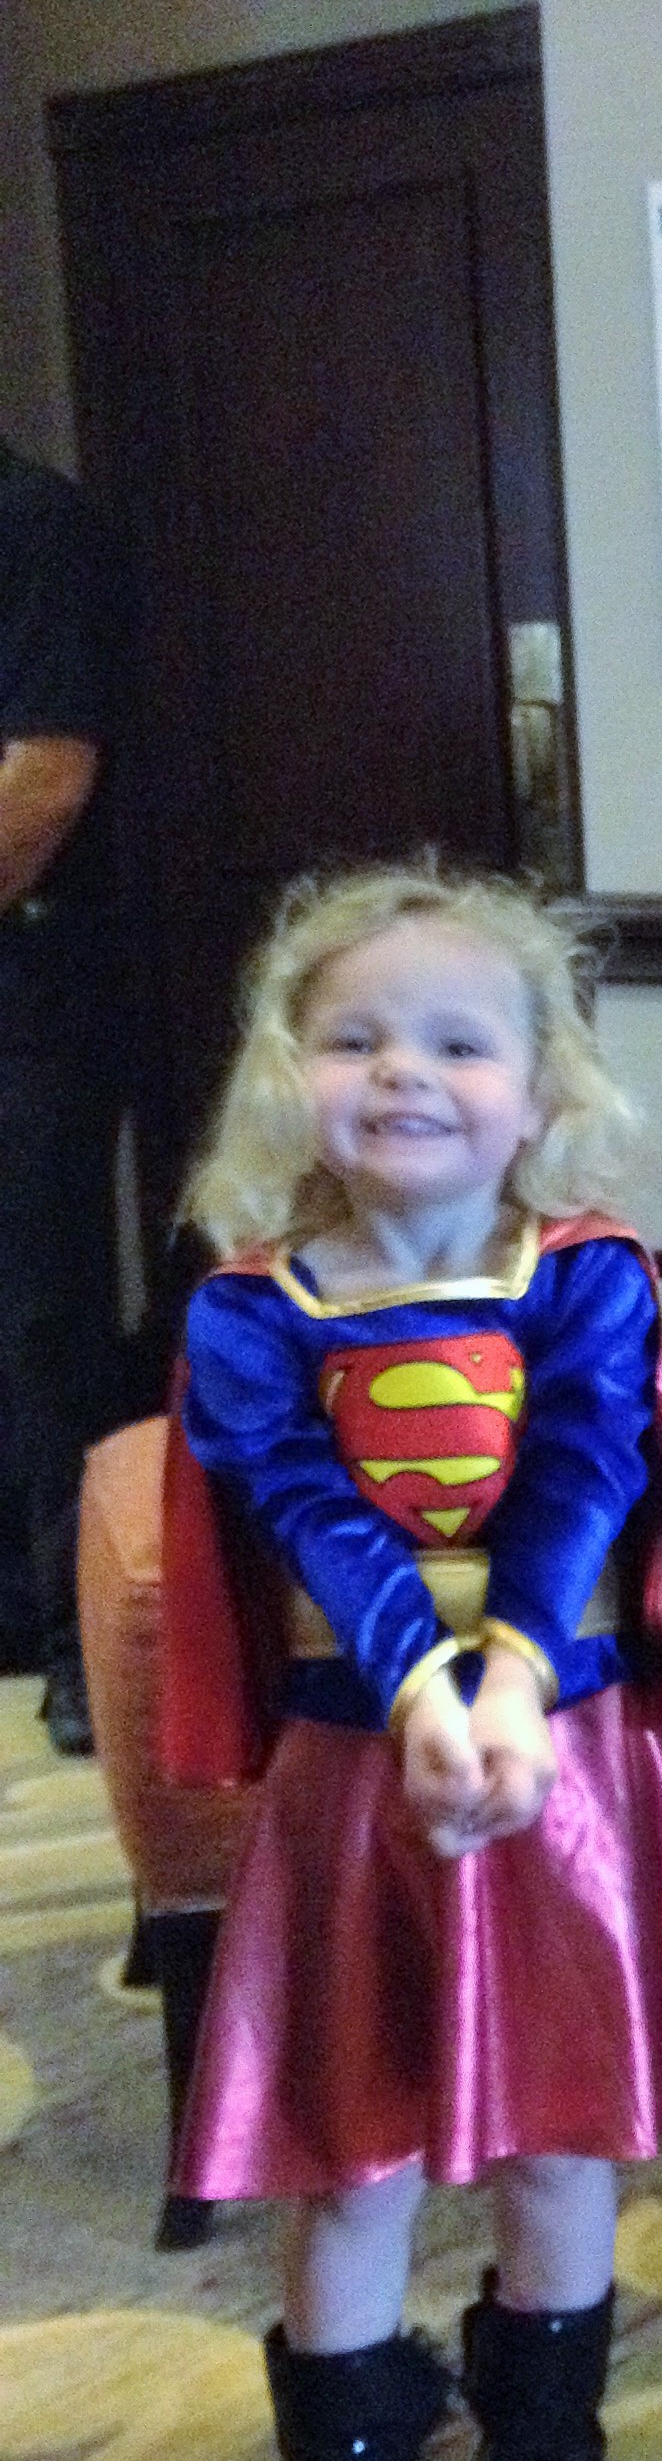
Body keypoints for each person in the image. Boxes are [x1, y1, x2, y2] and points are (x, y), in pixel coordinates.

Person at [159, 867, 662, 2461]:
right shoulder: (251, 1313)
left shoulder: (589, 1278)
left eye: (457, 1042)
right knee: (356, 2148)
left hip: (561, 1769)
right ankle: (349, 2458)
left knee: (564, 2136)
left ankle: (545, 2433)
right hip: (359, 1779)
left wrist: (510, 1681)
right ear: (291, 1075)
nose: (405, 1070)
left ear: (541, 1089)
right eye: (357, 1038)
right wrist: (422, 1683)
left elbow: (584, 1469)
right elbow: (303, 1504)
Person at [0, 436, 131, 1751]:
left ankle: (79, 1647)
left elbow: (43, 782)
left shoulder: (32, 524)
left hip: (29, 991)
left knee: (43, 1322)